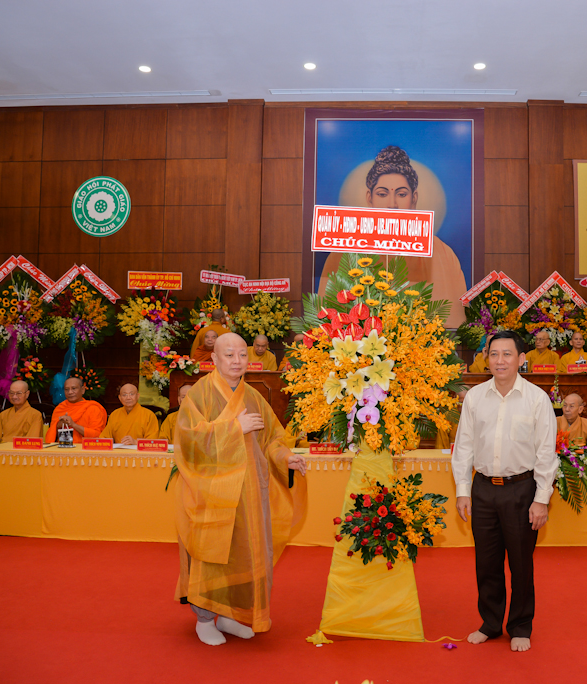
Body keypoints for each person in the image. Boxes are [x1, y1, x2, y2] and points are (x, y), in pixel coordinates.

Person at [173, 333, 307, 646]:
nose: (237, 361)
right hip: (213, 491)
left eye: (242, 355)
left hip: (249, 492)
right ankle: (204, 619)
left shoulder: (254, 396)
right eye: (229, 355)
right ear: (214, 359)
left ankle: (231, 615)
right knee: (211, 554)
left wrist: (286, 457)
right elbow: (188, 441)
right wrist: (235, 428)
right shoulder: (200, 394)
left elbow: (272, 438)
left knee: (245, 553)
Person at [452, 330, 558, 652]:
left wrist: (541, 500)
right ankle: (490, 623)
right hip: (483, 489)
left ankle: (520, 625)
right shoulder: (475, 397)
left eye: (507, 354)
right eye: (494, 354)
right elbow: (464, 446)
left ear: (521, 359)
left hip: (521, 490)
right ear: (487, 358)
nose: (500, 360)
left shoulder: (536, 399)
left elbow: (546, 453)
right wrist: (463, 490)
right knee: (486, 563)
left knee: (521, 563)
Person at [318, 145, 468, 329]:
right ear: (369, 198)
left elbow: (454, 322)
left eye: (402, 194)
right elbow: (326, 320)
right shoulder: (343, 252)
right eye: (382, 194)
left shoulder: (442, 254)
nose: (392, 204)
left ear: (414, 199)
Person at [45, 377, 107, 444]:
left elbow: (97, 435)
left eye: (74, 388)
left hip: (85, 448)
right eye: (67, 389)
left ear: (82, 390)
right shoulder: (60, 409)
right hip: (63, 448)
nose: (70, 392)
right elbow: (51, 437)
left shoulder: (92, 408)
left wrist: (73, 425)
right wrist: (57, 426)